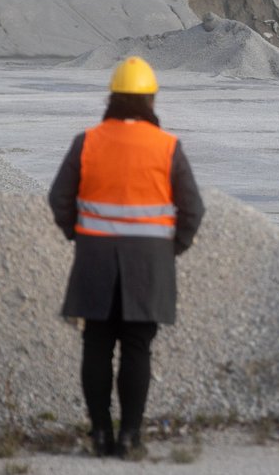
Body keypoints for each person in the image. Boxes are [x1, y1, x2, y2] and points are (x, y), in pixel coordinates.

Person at [48, 56, 204, 459]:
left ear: (112, 98)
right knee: (137, 347)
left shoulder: (88, 141)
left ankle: (100, 435)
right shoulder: (167, 146)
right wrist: (173, 249)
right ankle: (131, 437)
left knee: (96, 344)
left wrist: (77, 235)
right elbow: (193, 209)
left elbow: (59, 198)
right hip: (149, 266)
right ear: (151, 100)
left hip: (95, 260)